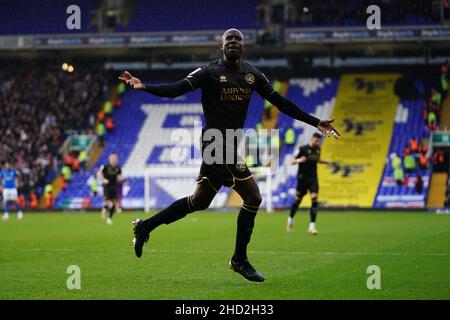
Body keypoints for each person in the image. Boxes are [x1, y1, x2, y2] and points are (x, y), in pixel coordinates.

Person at [119, 28, 340, 282]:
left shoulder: (252, 74)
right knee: (253, 196)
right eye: (229, 39)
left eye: (238, 39)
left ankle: (145, 226)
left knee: (199, 201)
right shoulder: (209, 72)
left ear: (243, 47)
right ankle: (239, 260)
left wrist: (315, 122)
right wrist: (143, 85)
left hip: (229, 145)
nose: (233, 42)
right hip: (214, 144)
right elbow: (176, 89)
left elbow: (281, 102)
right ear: (221, 46)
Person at [287, 133, 331, 234]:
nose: (318, 142)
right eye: (316, 140)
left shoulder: (318, 149)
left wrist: (326, 162)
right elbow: (292, 161)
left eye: (319, 141)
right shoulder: (302, 149)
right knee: (298, 200)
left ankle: (312, 226)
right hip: (302, 179)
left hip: (313, 179)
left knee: (314, 199)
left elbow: (318, 160)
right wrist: (299, 160)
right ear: (312, 139)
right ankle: (290, 218)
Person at [97, 153, 124, 225]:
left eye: (115, 158)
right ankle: (104, 210)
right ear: (110, 159)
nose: (114, 159)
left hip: (114, 186)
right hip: (107, 186)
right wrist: (103, 180)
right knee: (107, 202)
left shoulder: (118, 167)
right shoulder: (105, 166)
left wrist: (122, 179)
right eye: (112, 158)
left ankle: (109, 218)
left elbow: (120, 175)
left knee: (115, 203)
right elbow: (99, 173)